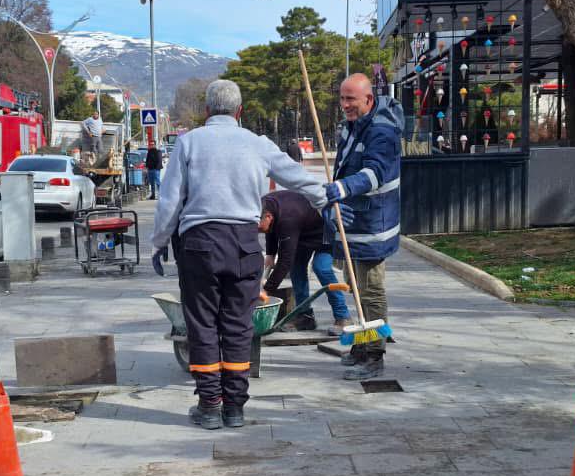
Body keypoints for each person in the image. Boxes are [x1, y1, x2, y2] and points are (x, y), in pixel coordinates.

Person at [150, 79, 324, 430]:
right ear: (240, 111)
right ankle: (235, 409)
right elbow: (297, 177)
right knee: (238, 326)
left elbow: (170, 201)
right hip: (245, 244)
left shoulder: (188, 143)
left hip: (199, 245)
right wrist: (328, 198)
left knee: (202, 325)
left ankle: (210, 406)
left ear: (206, 111)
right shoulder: (257, 144)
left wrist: (159, 242)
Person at [324, 72, 404, 381]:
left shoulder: (381, 132)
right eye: (342, 98)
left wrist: (342, 189)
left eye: (351, 99)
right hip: (353, 224)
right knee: (354, 287)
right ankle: (361, 344)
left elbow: (375, 174)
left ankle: (375, 353)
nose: (344, 105)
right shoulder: (353, 126)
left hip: (373, 225)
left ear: (368, 100)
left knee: (370, 291)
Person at [260, 189, 351, 334]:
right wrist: (270, 253)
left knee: (321, 268)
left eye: (258, 227)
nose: (258, 230)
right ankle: (305, 317)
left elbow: (285, 262)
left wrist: (267, 290)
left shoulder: (287, 218)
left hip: (326, 231)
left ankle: (343, 316)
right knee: (297, 270)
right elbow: (270, 229)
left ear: (268, 216)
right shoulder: (266, 205)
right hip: (303, 231)